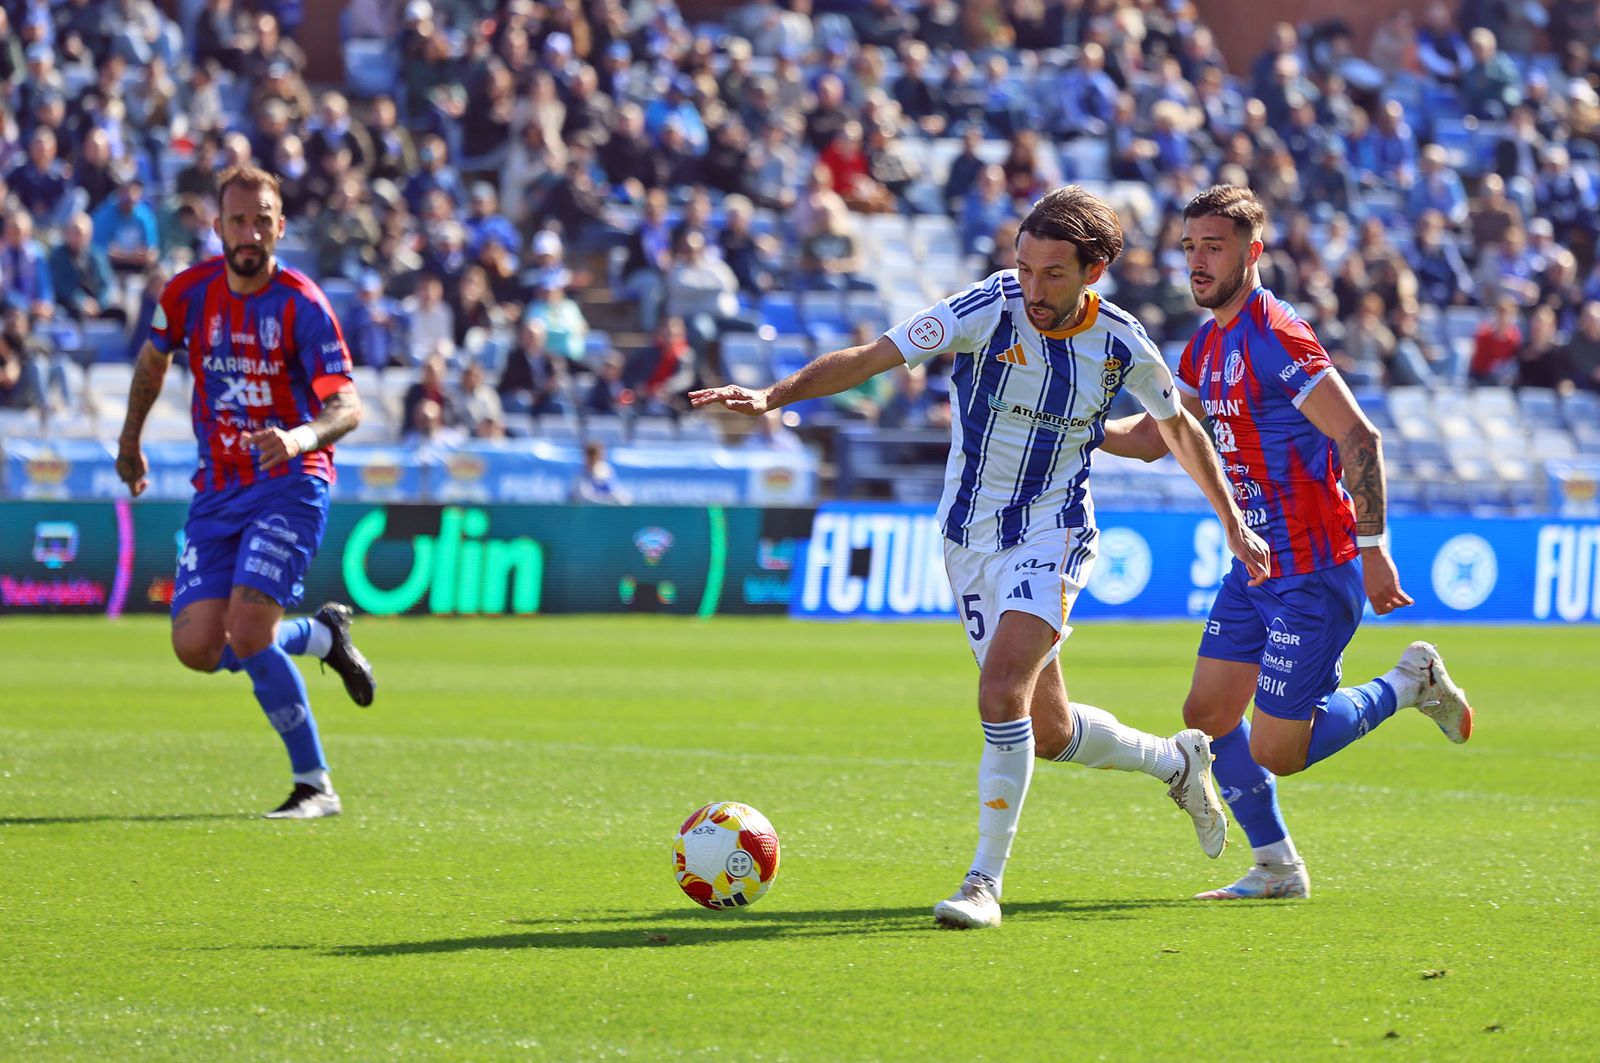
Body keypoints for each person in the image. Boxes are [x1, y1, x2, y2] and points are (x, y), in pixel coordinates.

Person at [692, 185, 1273, 930]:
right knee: (1051, 728)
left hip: (1054, 531)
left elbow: (1181, 430)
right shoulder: (985, 307)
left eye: (1052, 273)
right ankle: (1177, 762)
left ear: (1093, 272)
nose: (1032, 287)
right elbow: (875, 355)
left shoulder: (1124, 343)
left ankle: (982, 883)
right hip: (967, 539)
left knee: (1000, 693)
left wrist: (1231, 521)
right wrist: (775, 395)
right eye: (1025, 267)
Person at [1102, 186, 1475, 900]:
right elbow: (1160, 436)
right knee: (1207, 714)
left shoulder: (1278, 335)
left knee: (1280, 747)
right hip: (1254, 562)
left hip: (1314, 567)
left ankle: (1407, 684)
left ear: (1253, 252)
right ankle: (1276, 866)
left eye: (1213, 247)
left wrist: (1372, 545)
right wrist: (1089, 430)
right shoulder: (1205, 343)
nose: (1197, 262)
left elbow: (1358, 434)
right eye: (1189, 247)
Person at [114, 165, 377, 820]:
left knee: (248, 627)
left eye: (263, 219)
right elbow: (153, 361)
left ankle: (315, 784)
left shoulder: (303, 304)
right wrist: (129, 441)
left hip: (291, 483)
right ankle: (318, 638)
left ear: (280, 225)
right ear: (218, 227)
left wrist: (299, 437)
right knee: (198, 646)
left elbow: (348, 407)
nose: (250, 232)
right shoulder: (187, 293)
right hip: (218, 490)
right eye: (238, 220)